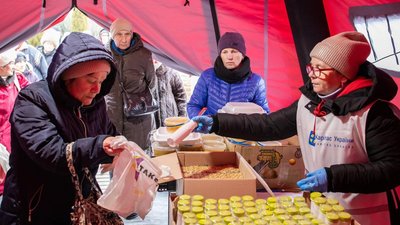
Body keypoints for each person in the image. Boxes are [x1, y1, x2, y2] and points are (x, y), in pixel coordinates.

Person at [192, 31, 400, 225]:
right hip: (319, 211)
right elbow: (268, 126)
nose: (312, 74)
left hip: (364, 216)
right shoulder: (309, 103)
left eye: (320, 69)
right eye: (311, 67)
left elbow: (392, 168)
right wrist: (218, 122)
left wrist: (333, 177)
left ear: (344, 75)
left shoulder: (375, 113)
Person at [0, 32, 126, 224]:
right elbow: (52, 153)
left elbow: (107, 132)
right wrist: (100, 146)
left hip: (78, 204)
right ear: (68, 76)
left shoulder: (94, 103)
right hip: (34, 208)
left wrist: (119, 146)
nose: (97, 89)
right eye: (91, 80)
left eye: (102, 81)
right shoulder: (32, 100)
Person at [187, 32, 270, 118]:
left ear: (242, 55)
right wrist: (205, 124)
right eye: (225, 52)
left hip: (242, 130)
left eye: (234, 51)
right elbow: (193, 105)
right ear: (220, 55)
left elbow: (264, 114)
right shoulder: (207, 76)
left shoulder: (256, 81)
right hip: (212, 129)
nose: (229, 57)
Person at [105, 18, 158, 151]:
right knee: (116, 161)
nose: (124, 39)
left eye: (127, 34)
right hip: (112, 117)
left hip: (139, 119)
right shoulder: (103, 55)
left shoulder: (144, 55)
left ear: (132, 34)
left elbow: (152, 84)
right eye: (119, 34)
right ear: (112, 35)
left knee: (140, 163)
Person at [0, 49, 29, 203]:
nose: (12, 65)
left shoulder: (18, 79)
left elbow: (32, 95)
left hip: (18, 135)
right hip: (2, 142)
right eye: (8, 64)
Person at [154, 59, 187, 127]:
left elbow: (181, 97)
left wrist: (182, 117)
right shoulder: (142, 73)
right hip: (150, 122)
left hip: (171, 119)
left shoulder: (172, 72)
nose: (154, 58)